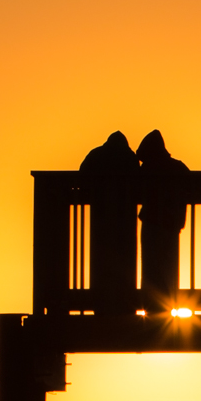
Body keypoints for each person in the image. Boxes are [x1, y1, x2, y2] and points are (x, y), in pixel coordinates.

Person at [79, 132, 141, 314]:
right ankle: (124, 301)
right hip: (125, 217)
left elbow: (82, 175)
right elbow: (139, 182)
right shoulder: (129, 157)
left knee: (100, 255)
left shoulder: (96, 155)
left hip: (100, 215)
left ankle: (102, 301)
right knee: (125, 256)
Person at [136, 130, 190, 312]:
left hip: (151, 224)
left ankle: (152, 307)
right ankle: (167, 305)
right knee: (169, 268)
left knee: (151, 268)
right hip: (171, 225)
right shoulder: (178, 168)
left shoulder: (147, 170)